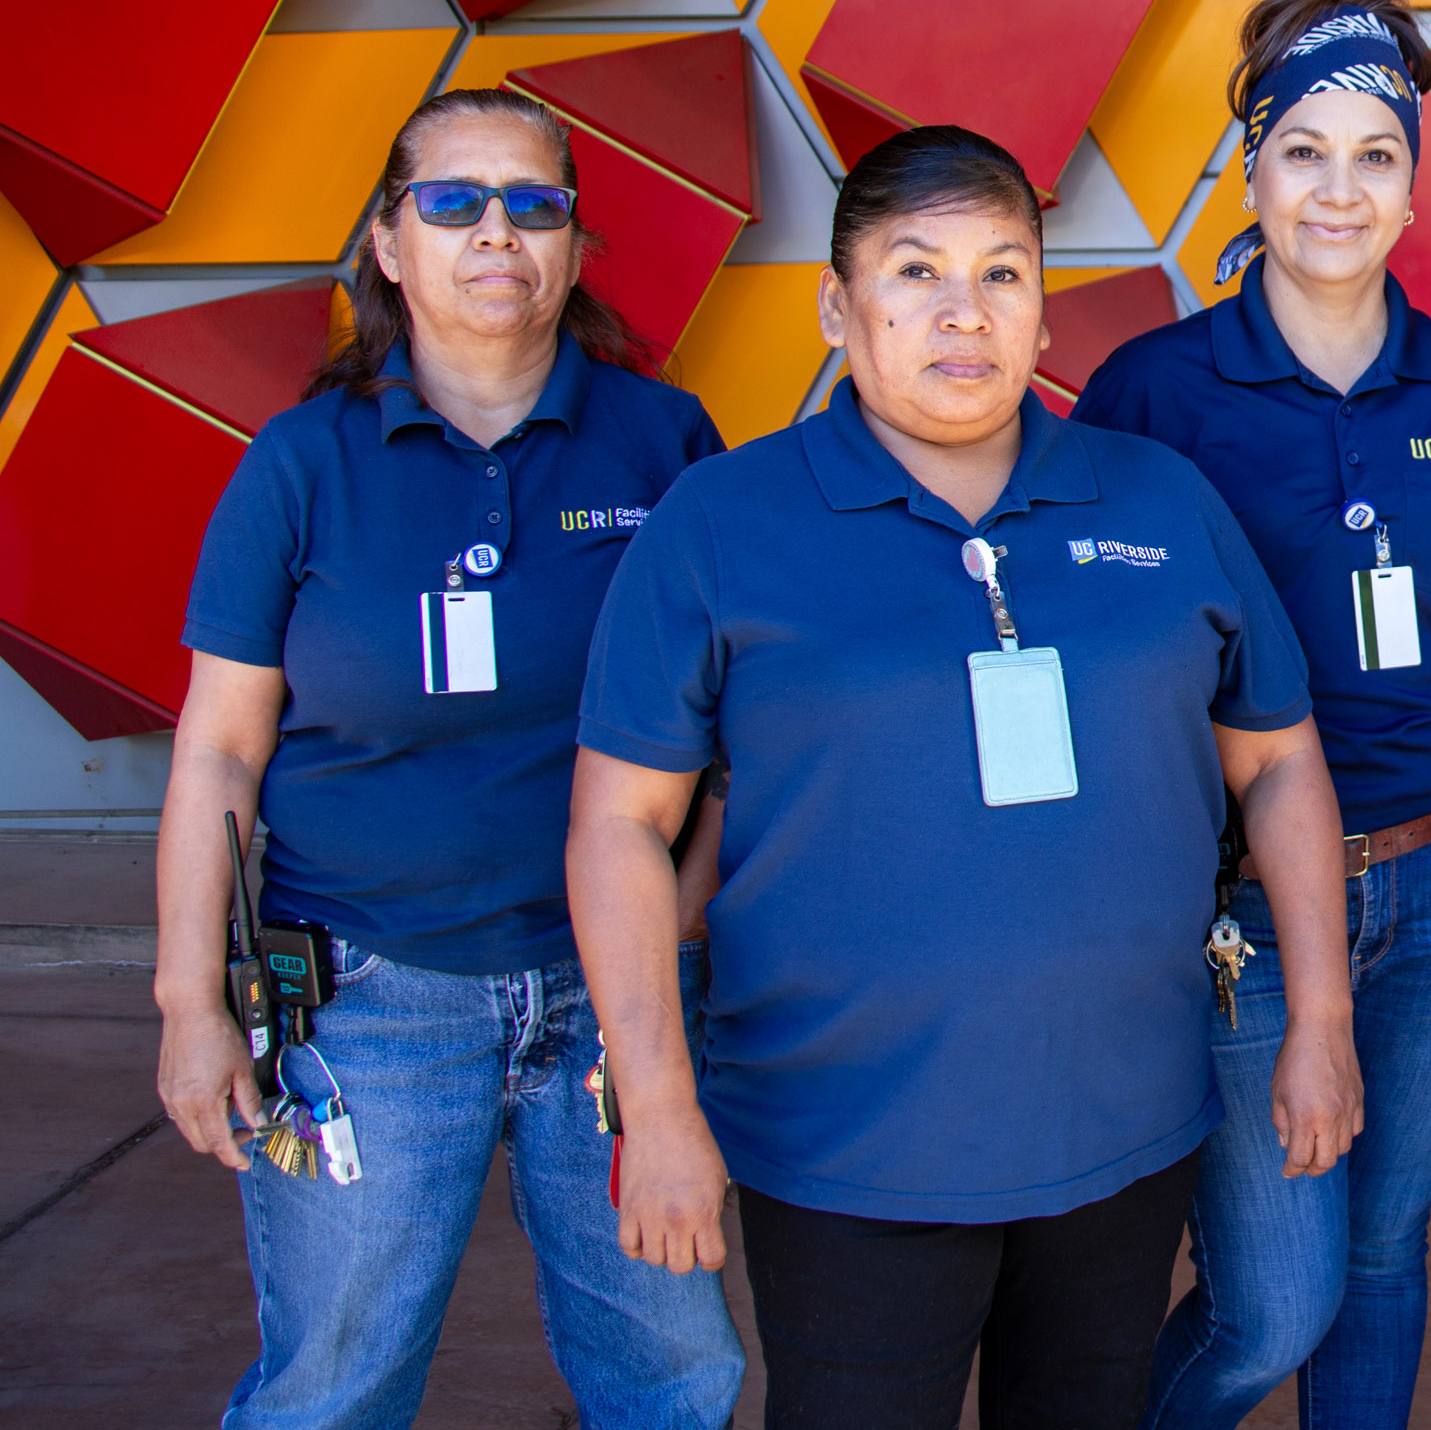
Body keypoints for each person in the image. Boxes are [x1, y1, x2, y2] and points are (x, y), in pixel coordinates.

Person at [566, 125, 1363, 1430]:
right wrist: (653, 1106)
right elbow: (617, 826)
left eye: (1002, 275)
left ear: (1043, 311)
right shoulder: (720, 525)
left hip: (1120, 1128)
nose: (962, 313)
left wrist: (1320, 1023)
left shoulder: (1160, 500)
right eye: (915, 272)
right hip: (847, 1153)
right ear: (837, 306)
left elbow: (1277, 759)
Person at [155, 88, 744, 1429]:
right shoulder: (301, 465)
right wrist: (190, 999)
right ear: (388, 241)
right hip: (364, 995)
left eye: (535, 206)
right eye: (455, 202)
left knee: (673, 1369)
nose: (498, 234)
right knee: (333, 1385)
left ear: (577, 248)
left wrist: (687, 917)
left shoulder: (666, 448)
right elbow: (219, 756)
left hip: (617, 1000)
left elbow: (733, 737)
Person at [1075, 0, 1431, 1429]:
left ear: (1416, 190)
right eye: (1304, 152)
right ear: (1250, 171)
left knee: (1381, 1250)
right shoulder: (1153, 392)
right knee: (1272, 1298)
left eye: (1375, 156)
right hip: (1236, 905)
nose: (1338, 190)